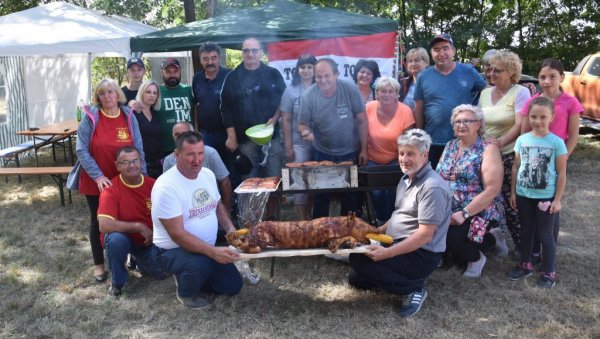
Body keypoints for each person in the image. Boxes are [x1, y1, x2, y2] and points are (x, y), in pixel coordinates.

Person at [347, 129, 451, 318]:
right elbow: (399, 214)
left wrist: (387, 253)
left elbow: (425, 235)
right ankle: (398, 277)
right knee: (356, 278)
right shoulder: (405, 179)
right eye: (401, 153)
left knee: (359, 260)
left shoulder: (432, 187)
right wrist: (375, 231)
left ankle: (413, 289)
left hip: (422, 254)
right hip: (397, 243)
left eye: (411, 154)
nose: (404, 159)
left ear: (425, 155)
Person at [67, 78, 145, 282]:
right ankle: (99, 265)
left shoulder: (128, 115)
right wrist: (98, 175)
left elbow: (138, 146)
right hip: (96, 180)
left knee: (129, 216)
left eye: (111, 92)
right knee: (98, 221)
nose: (107, 96)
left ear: (118, 94)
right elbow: (81, 149)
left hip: (125, 178)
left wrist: (141, 175)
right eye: (102, 93)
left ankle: (129, 256)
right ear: (98, 97)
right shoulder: (90, 118)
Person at [152, 131, 242, 309]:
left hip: (204, 247)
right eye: (190, 154)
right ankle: (185, 292)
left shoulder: (206, 174)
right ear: (177, 155)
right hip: (173, 251)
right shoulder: (166, 186)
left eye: (200, 153)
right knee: (199, 264)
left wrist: (231, 231)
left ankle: (198, 274)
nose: (197, 160)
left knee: (233, 285)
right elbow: (177, 234)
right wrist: (213, 252)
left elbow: (217, 206)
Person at [520, 58, 583, 261]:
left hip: (555, 161)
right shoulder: (532, 101)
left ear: (562, 77)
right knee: (532, 206)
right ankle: (534, 249)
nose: (547, 81)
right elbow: (524, 132)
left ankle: (548, 248)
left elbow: (573, 135)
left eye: (552, 77)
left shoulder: (570, 102)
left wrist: (562, 158)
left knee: (551, 206)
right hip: (533, 164)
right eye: (542, 77)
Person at [436, 105, 506, 278]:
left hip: (479, 210)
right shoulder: (450, 146)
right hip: (448, 207)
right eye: (457, 121)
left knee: (452, 239)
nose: (462, 125)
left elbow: (492, 190)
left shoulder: (488, 149)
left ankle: (483, 249)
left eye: (468, 121)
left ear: (478, 124)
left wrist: (464, 213)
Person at [508, 96, 567, 288]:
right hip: (524, 195)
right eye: (533, 116)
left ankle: (549, 272)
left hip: (546, 197)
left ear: (552, 117)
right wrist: (513, 193)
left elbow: (561, 173)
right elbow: (516, 167)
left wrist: (557, 200)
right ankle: (526, 263)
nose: (537, 121)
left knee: (545, 235)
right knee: (526, 232)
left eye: (543, 117)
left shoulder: (557, 143)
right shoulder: (522, 140)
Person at [297, 58, 368, 218]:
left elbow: (362, 120)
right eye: (319, 76)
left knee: (349, 194)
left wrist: (364, 149)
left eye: (327, 76)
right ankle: (320, 232)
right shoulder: (309, 96)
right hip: (321, 151)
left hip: (350, 151)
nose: (323, 80)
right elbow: (302, 124)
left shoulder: (349, 89)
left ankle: (347, 231)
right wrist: (305, 132)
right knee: (321, 194)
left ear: (336, 74)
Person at [478, 50, 531, 250]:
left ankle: (523, 246)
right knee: (484, 201)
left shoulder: (520, 92)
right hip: (485, 156)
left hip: (509, 154)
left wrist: (498, 143)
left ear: (510, 71)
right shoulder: (484, 93)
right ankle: (487, 243)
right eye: (488, 69)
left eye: (497, 70)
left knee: (512, 203)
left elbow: (520, 125)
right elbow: (479, 123)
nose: (491, 73)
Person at [98, 147, 166, 296]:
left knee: (161, 272)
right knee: (115, 239)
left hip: (150, 240)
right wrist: (138, 227)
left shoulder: (155, 185)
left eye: (135, 161)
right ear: (117, 166)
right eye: (126, 162)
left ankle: (137, 259)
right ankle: (118, 283)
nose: (131, 165)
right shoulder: (110, 189)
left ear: (141, 162)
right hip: (124, 238)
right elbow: (104, 224)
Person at [413, 33, 487, 169]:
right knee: (434, 181)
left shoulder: (468, 71)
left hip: (465, 140)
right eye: (436, 49)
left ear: (453, 50)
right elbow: (418, 107)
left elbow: (489, 92)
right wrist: (420, 134)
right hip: (433, 141)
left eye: (445, 48)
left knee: (463, 182)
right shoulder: (423, 76)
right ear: (431, 53)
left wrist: (517, 85)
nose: (441, 53)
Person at [220, 37, 286, 182]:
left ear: (261, 52)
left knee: (274, 180)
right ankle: (252, 206)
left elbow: (284, 100)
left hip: (271, 138)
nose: (250, 54)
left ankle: (271, 205)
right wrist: (231, 137)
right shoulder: (232, 77)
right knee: (249, 181)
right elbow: (226, 108)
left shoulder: (273, 74)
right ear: (242, 53)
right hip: (245, 140)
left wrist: (274, 119)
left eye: (254, 50)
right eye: (246, 50)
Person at [365, 76, 415, 223]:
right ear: (377, 93)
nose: (386, 94)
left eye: (390, 91)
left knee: (394, 194)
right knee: (377, 193)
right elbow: (360, 131)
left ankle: (390, 222)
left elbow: (408, 142)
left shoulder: (406, 111)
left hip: (396, 159)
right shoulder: (369, 107)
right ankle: (381, 220)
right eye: (382, 91)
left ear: (397, 94)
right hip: (373, 159)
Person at [163, 122, 232, 213]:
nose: (180, 137)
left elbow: (225, 182)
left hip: (212, 209)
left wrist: (226, 212)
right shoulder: (168, 161)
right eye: (177, 135)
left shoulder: (210, 153)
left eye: (185, 134)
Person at [280, 54, 317, 219]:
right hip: (298, 143)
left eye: (310, 67)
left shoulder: (322, 87)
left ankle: (311, 215)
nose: (307, 70)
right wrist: (288, 145)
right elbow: (286, 119)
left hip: (319, 144)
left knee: (315, 180)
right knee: (300, 179)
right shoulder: (290, 90)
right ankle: (302, 218)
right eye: (303, 67)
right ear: (297, 69)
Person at [192, 42, 231, 166]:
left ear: (219, 58)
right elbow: (195, 106)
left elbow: (236, 107)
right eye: (206, 59)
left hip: (227, 135)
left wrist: (233, 136)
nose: (210, 62)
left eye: (213, 58)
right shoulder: (197, 79)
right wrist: (197, 132)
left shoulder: (230, 76)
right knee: (208, 171)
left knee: (231, 172)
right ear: (201, 60)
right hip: (206, 136)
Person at [156, 57, 195, 157]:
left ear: (180, 71)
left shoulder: (189, 90)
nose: (172, 75)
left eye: (175, 71)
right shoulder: (156, 91)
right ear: (162, 72)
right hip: (166, 149)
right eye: (168, 72)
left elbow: (197, 111)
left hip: (190, 145)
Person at [133, 80, 163, 178]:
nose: (152, 95)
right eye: (148, 92)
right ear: (142, 93)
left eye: (155, 93)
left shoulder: (155, 114)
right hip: (141, 165)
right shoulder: (133, 114)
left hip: (157, 165)